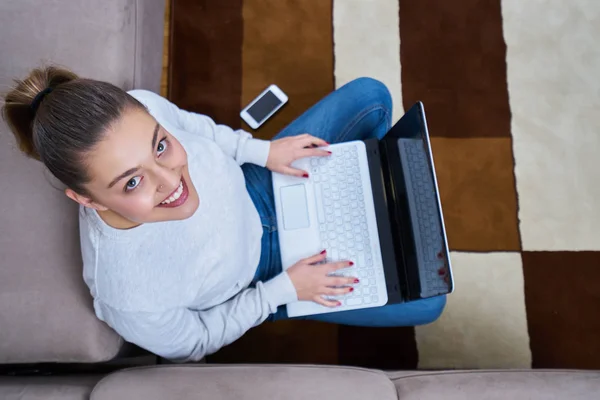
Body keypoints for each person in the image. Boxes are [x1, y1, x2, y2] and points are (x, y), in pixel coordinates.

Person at [2, 66, 446, 362]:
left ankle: (360, 203)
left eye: (160, 147)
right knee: (430, 303)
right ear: (89, 200)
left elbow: (200, 129)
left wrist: (262, 150)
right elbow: (194, 342)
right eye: (132, 182)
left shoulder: (143, 106)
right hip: (267, 274)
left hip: (257, 182)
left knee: (372, 96)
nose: (171, 179)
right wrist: (282, 291)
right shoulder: (128, 296)